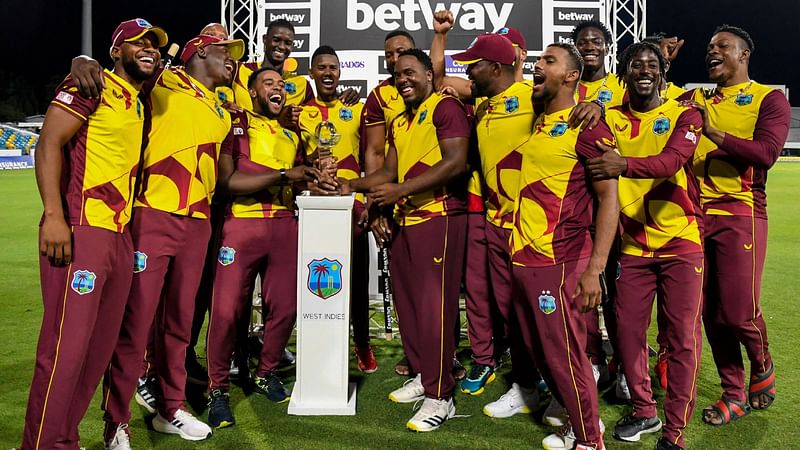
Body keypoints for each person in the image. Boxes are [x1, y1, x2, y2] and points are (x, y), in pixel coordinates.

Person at [20, 18, 166, 450]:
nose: (149, 49)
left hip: (120, 236)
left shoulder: (141, 100)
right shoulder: (92, 82)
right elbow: (47, 142)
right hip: (82, 228)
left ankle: (65, 439)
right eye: (136, 43)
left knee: (98, 350)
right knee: (65, 350)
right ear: (115, 51)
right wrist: (53, 215)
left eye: (154, 45)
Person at [98, 33, 244, 447]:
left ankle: (170, 408)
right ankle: (116, 422)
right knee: (136, 322)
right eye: (224, 52)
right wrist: (80, 59)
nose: (232, 61)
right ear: (199, 51)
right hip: (152, 214)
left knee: (180, 325)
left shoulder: (222, 108)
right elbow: (120, 72)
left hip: (198, 221)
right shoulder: (163, 78)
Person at [341, 49, 471, 432]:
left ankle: (441, 395)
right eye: (398, 75)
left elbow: (456, 163)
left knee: (435, 309)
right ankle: (422, 372)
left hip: (440, 218)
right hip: (405, 220)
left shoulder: (445, 107)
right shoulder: (399, 119)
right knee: (408, 306)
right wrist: (352, 185)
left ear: (429, 74)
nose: (403, 80)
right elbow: (389, 172)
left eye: (410, 72)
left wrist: (398, 192)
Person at [586, 41, 704, 450]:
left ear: (663, 72)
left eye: (652, 64)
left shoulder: (684, 113)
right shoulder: (609, 118)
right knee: (629, 334)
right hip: (633, 247)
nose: (644, 70)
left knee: (682, 337)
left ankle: (674, 431)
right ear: (625, 73)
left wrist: (624, 164)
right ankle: (644, 410)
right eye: (636, 64)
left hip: (681, 243)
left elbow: (671, 162)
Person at [509, 42, 617, 450]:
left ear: (572, 75)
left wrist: (595, 269)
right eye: (537, 61)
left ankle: (590, 440)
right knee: (542, 353)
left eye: (548, 61)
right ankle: (578, 422)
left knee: (564, 355)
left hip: (560, 260)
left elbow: (610, 200)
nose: (538, 66)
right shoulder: (540, 118)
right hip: (525, 257)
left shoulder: (588, 126)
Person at [682, 24, 789, 427]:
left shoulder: (769, 99)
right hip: (692, 217)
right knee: (709, 311)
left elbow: (765, 154)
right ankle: (733, 393)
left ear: (743, 54)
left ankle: (762, 361)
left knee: (739, 311)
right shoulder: (694, 99)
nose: (712, 51)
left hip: (740, 213)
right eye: (709, 46)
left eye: (722, 46)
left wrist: (712, 130)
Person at [206, 66, 321, 427]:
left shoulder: (292, 135)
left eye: (282, 85)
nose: (278, 89)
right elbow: (227, 181)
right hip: (241, 225)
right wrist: (284, 175)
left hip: (285, 225)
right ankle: (218, 388)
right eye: (268, 83)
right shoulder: (236, 122)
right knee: (225, 311)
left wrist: (318, 180)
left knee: (285, 308)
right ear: (253, 92)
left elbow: (299, 180)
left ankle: (266, 370)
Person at [448, 33, 542, 410]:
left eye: (474, 64)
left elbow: (574, 108)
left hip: (531, 227)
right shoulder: (485, 106)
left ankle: (552, 385)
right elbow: (443, 79)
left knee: (539, 309)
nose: (468, 70)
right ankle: (528, 386)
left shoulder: (534, 96)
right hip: (496, 222)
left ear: (496, 68)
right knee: (509, 309)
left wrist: (593, 109)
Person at [297, 46, 377, 372]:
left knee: (357, 279)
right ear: (312, 73)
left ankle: (362, 344)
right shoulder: (298, 113)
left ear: (340, 73)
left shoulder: (355, 109)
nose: (328, 73)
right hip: (316, 207)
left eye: (333, 67)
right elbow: (296, 161)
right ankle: (321, 342)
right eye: (321, 68)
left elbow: (371, 155)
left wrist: (369, 198)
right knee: (320, 278)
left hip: (351, 206)